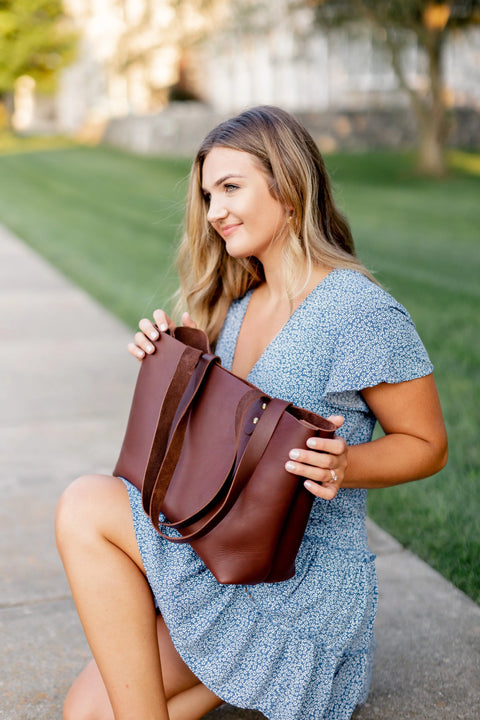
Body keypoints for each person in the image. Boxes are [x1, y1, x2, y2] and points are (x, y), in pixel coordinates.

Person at [56, 106, 448, 720]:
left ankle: (270, 659)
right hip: (224, 551)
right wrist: (171, 360)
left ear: (289, 186)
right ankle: (238, 666)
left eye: (231, 188)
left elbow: (427, 443)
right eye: (209, 195)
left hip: (302, 579)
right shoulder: (238, 305)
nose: (214, 212)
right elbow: (213, 446)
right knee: (84, 713)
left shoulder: (357, 309)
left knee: (85, 502)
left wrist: (348, 464)